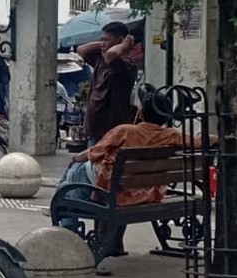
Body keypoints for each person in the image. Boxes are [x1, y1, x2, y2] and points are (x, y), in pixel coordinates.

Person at [54, 89, 182, 238]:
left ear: (141, 112)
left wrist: (75, 158)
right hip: (141, 191)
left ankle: (67, 230)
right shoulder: (171, 135)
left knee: (70, 181)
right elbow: (201, 140)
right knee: (71, 179)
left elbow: (94, 152)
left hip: (114, 189)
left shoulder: (125, 131)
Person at [77, 21, 138, 145]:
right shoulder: (100, 60)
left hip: (112, 127)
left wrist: (123, 45)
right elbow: (81, 50)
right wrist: (105, 44)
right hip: (95, 127)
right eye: (102, 40)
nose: (103, 44)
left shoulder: (126, 65)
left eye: (107, 40)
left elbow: (111, 55)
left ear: (120, 40)